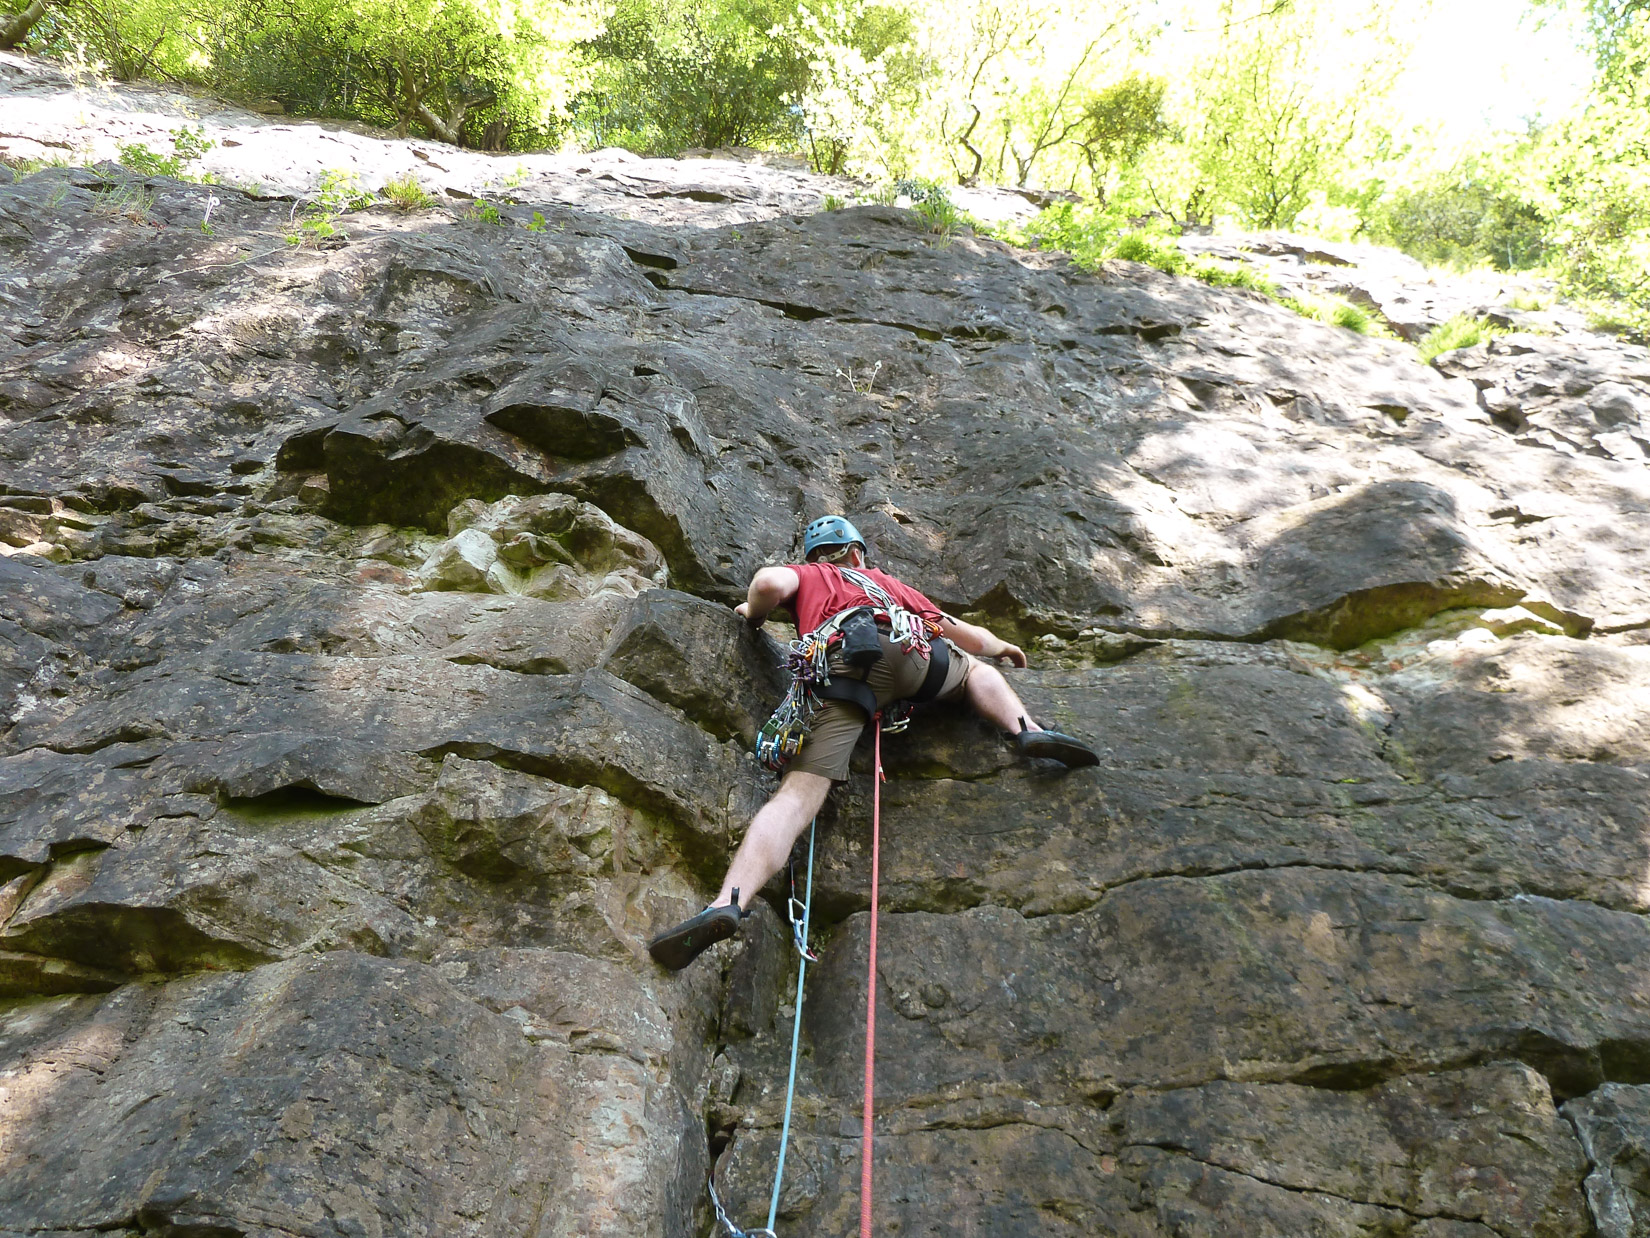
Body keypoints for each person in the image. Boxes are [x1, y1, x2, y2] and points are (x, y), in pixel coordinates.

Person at [646, 515, 1098, 970]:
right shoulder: (889, 584)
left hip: (848, 670)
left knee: (796, 799)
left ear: (816, 555)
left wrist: (754, 615)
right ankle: (1027, 730)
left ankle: (728, 902)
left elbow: (765, 582)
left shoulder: (811, 575)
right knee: (977, 672)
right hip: (919, 657)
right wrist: (1001, 645)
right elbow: (963, 634)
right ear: (858, 551)